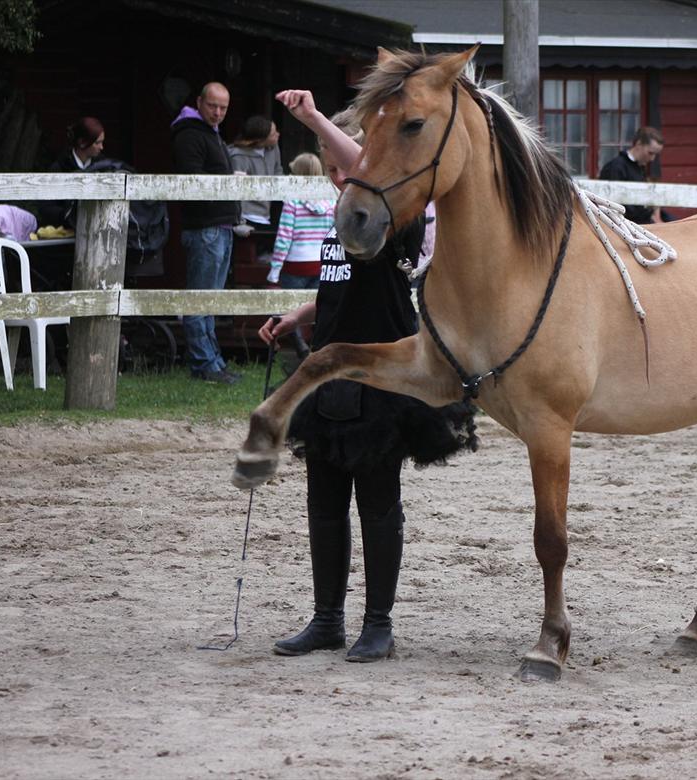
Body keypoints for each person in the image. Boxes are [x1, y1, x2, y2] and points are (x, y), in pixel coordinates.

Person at [258, 89, 476, 663]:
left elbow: (360, 165)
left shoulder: (396, 223)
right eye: (332, 173)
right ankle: (326, 619)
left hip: (382, 382)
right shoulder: (345, 225)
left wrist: (311, 116)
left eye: (347, 169)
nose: (341, 179)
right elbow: (340, 286)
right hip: (327, 378)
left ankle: (378, 624)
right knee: (324, 505)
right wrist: (299, 316)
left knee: (378, 505)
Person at [171, 82, 242, 384]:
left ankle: (213, 362)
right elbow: (193, 179)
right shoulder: (189, 133)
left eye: (223, 108)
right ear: (199, 102)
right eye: (212, 105)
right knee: (200, 299)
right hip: (204, 226)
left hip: (220, 225)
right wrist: (229, 179)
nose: (217, 112)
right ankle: (205, 365)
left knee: (209, 299)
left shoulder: (209, 133)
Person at [267, 152, 333, 288]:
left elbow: (283, 239)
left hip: (295, 265)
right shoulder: (331, 202)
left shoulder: (292, 202)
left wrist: (274, 271)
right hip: (322, 263)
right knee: (316, 307)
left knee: (293, 308)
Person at [40, 117, 106, 228]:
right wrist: (69, 215)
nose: (101, 147)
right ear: (82, 143)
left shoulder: (103, 167)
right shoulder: (59, 168)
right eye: (97, 143)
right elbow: (46, 207)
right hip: (65, 233)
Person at [598, 126, 665, 224]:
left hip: (642, 217)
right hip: (626, 223)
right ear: (639, 144)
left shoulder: (639, 167)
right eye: (650, 153)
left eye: (655, 154)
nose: (652, 159)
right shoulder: (616, 167)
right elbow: (616, 205)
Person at [227, 115, 283, 233]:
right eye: (273, 134)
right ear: (260, 140)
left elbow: (278, 172)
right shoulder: (238, 156)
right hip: (247, 216)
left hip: (267, 213)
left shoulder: (273, 148)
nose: (278, 134)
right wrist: (239, 221)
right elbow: (236, 192)